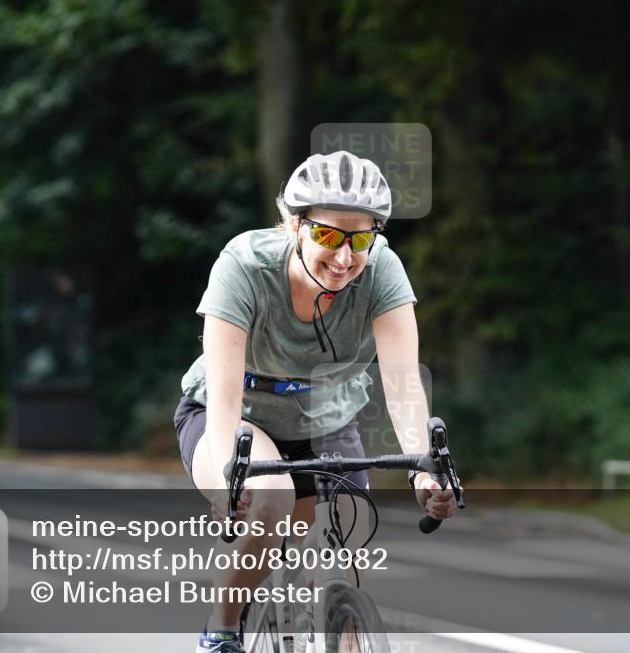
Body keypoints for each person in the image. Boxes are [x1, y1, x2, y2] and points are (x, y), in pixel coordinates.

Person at [174, 150, 460, 653]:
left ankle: (335, 630)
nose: (345, 257)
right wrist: (226, 478)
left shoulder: (382, 271)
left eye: (362, 239)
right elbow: (221, 397)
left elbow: (402, 384)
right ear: (294, 225)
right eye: (328, 235)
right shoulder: (243, 265)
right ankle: (220, 630)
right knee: (272, 499)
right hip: (238, 414)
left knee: (350, 530)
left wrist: (423, 470)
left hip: (324, 415)